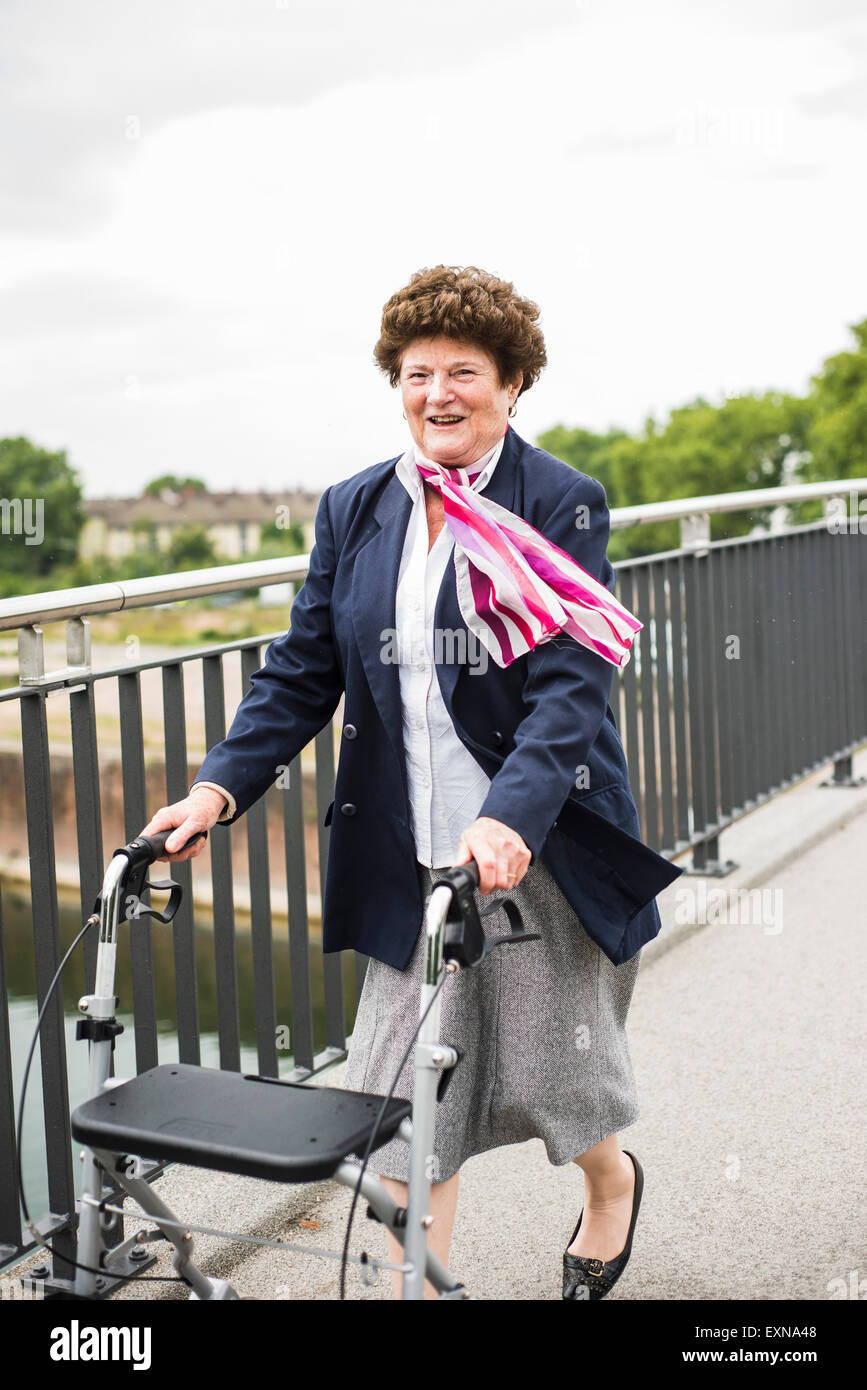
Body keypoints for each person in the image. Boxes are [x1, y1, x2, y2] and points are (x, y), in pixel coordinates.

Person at [142, 264, 681, 1301]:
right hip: (408, 854)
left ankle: (610, 1184)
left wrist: (505, 815)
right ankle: (416, 1290)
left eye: (464, 372)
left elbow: (570, 691)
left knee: (557, 1081)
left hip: (534, 842)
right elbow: (302, 673)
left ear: (513, 383)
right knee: (398, 1100)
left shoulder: (560, 502)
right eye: (417, 371)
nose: (438, 392)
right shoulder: (356, 508)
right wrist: (215, 791)